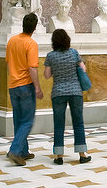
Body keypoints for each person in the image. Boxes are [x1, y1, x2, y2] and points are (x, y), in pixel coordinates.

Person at [43, 28, 89, 165]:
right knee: (78, 123)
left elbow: (46, 75)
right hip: (75, 92)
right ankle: (82, 154)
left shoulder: (50, 56)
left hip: (58, 93)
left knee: (59, 124)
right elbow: (83, 69)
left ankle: (59, 156)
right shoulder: (74, 53)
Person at [5, 13, 42, 166]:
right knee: (27, 120)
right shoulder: (31, 44)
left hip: (13, 85)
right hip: (26, 85)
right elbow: (32, 68)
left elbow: (8, 64)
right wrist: (38, 87)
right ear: (34, 28)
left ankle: (23, 151)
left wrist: (13, 78)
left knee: (18, 119)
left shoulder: (12, 41)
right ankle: (14, 150)